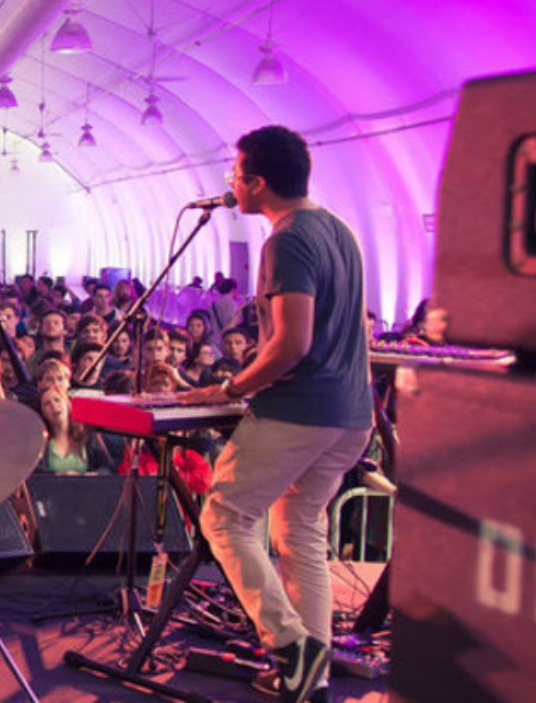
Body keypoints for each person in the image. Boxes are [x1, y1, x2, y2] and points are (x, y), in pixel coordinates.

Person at [178, 125, 373, 703]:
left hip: (299, 410)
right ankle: (311, 673)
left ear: (258, 183)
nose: (231, 185)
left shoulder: (286, 241)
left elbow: (292, 342)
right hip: (350, 413)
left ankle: (291, 645)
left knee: (225, 516)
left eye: (235, 176)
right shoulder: (339, 229)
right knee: (300, 529)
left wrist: (230, 388)